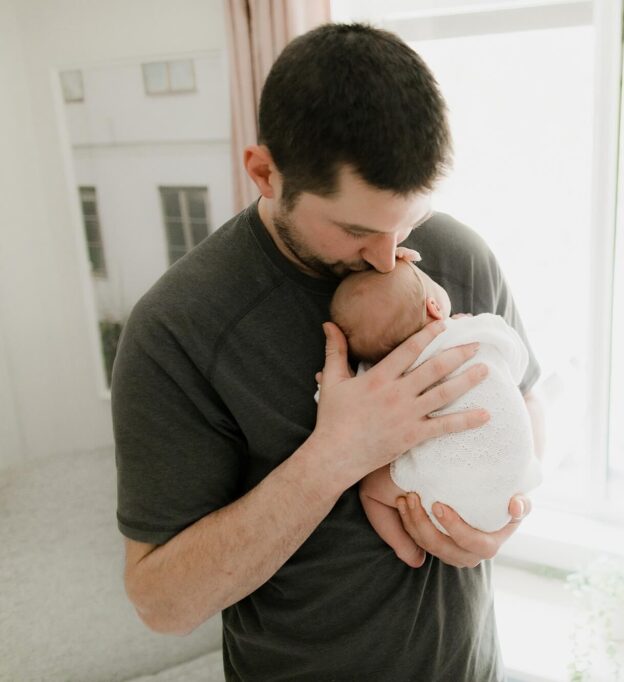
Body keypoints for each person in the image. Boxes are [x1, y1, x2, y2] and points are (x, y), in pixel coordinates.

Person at [112, 22, 543, 681]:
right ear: (264, 173)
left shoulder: (457, 254)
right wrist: (339, 454)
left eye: (407, 220)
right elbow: (162, 604)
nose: (390, 254)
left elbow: (527, 401)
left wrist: (504, 513)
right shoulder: (177, 330)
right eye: (356, 230)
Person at [324, 258, 542, 567]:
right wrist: (474, 328)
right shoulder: (476, 330)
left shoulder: (381, 373)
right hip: (513, 484)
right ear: (435, 307)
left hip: (446, 498)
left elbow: (344, 402)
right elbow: (518, 369)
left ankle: (407, 551)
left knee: (371, 489)